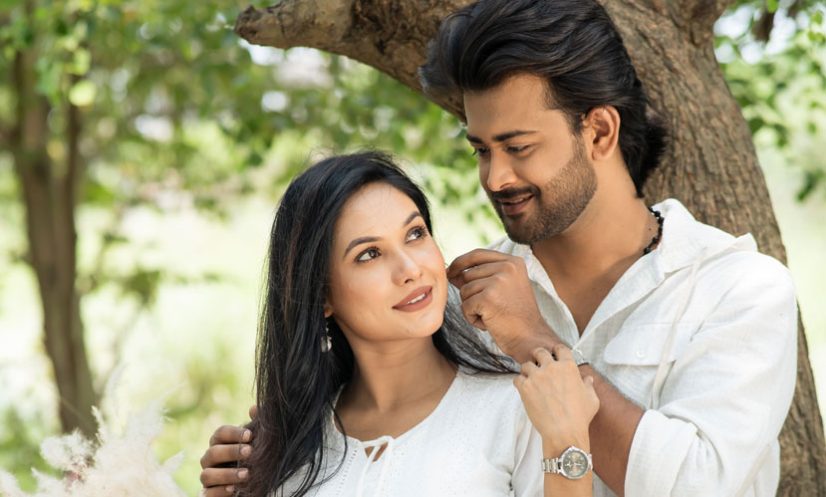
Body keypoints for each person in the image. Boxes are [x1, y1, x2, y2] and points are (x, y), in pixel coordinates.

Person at [202, 0, 798, 496]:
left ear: (599, 131)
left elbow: (701, 485)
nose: (495, 177)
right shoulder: (456, 301)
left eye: (518, 147)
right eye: (482, 150)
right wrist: (271, 455)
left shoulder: (738, 289)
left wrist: (535, 341)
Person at [202, 151, 598, 497]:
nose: (410, 269)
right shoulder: (286, 446)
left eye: (415, 234)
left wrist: (567, 444)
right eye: (369, 254)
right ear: (321, 295)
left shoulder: (519, 411)